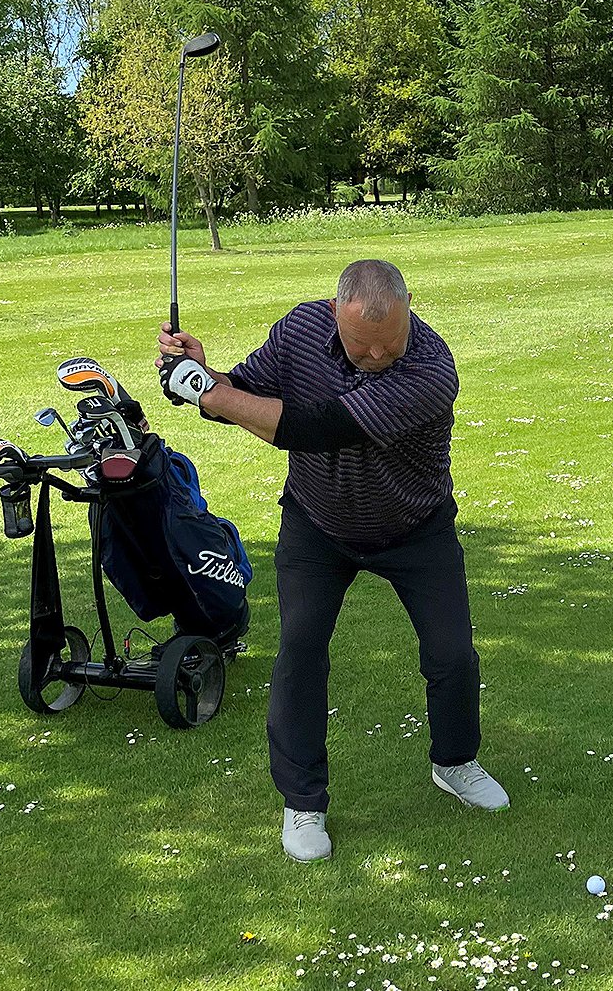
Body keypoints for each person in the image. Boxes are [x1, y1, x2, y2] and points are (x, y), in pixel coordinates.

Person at [156, 259, 509, 862]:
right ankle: (303, 803)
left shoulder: (430, 369)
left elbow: (313, 429)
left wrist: (208, 392)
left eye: (389, 343)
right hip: (318, 525)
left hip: (414, 527)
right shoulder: (300, 329)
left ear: (409, 312)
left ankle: (455, 763)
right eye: (361, 345)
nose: (376, 356)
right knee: (300, 651)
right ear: (333, 315)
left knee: (451, 653)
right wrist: (195, 374)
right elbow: (244, 391)